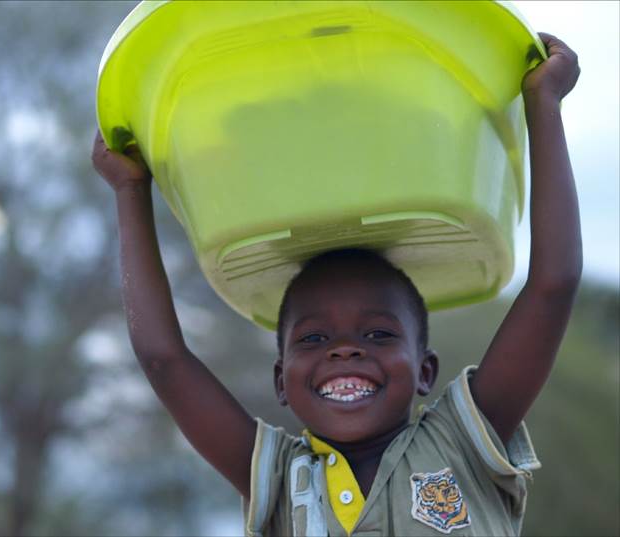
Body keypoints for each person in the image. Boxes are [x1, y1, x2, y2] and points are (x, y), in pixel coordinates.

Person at [91, 32, 581, 536]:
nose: (345, 350)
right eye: (314, 338)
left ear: (425, 371)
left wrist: (543, 103)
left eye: (378, 334)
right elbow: (165, 360)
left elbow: (553, 283)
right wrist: (130, 189)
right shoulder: (279, 477)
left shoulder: (461, 442)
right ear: (281, 380)